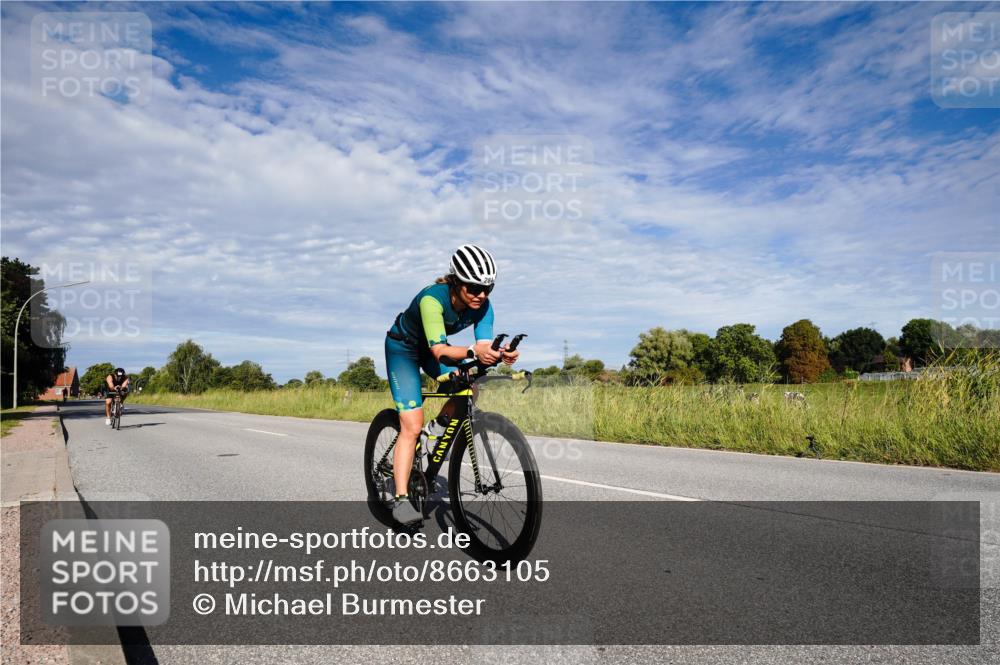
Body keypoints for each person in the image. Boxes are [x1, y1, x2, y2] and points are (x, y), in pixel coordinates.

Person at [384, 245, 519, 524]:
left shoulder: (482, 306)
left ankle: (435, 430)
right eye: (473, 288)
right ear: (456, 282)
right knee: (410, 424)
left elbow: (482, 346)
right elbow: (439, 351)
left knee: (471, 383)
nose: (481, 295)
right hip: (404, 350)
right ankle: (400, 499)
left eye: (488, 288)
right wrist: (473, 351)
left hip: (439, 349)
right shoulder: (431, 300)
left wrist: (499, 354)